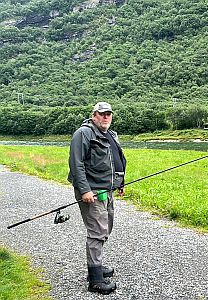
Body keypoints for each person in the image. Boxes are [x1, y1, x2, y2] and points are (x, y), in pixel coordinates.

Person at [68, 102, 126, 295]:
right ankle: (95, 280)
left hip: (107, 191)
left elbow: (115, 160)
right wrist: (84, 190)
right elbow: (76, 165)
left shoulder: (110, 134)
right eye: (102, 114)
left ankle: (97, 265)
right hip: (91, 192)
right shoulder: (83, 133)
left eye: (108, 114)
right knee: (97, 232)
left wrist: (120, 183)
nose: (105, 117)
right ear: (94, 115)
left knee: (106, 227)